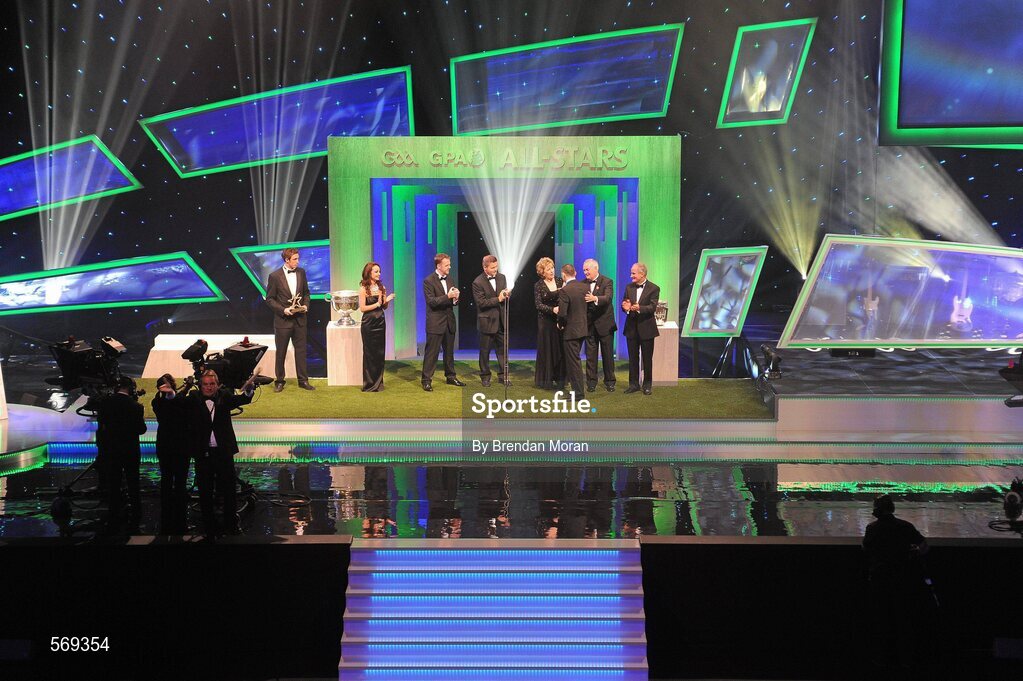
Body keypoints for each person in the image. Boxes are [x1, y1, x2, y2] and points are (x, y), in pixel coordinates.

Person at [158, 369, 255, 538]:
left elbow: (242, 399)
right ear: (200, 385)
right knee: (205, 491)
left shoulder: (224, 396)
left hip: (224, 452)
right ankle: (209, 526)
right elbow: (179, 402)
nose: (209, 388)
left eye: (212, 384)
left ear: (217, 385)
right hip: (203, 453)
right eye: (206, 384)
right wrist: (172, 394)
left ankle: (231, 524)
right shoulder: (195, 398)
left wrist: (248, 390)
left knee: (229, 490)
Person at [862, 494, 934, 671]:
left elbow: (866, 548)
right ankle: (906, 660)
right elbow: (924, 545)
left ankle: (881, 659)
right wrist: (915, 552)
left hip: (880, 581)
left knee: (882, 621)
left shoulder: (872, 529)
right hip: (903, 581)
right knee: (904, 621)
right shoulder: (905, 527)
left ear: (877, 510)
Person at [95, 376, 147, 530]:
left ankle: (114, 515)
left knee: (114, 484)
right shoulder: (136, 406)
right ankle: (136, 514)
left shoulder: (105, 404)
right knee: (133, 483)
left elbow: (101, 427)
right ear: (130, 388)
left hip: (111, 451)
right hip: (130, 451)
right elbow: (142, 430)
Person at [265, 247, 314, 392]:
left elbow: (306, 293)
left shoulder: (301, 272)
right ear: (287, 260)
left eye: (298, 258)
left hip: (300, 319)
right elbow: (270, 299)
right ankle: (279, 381)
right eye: (295, 259)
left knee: (301, 351)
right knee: (281, 352)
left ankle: (303, 381)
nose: (298, 262)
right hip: (283, 321)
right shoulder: (274, 276)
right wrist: (283, 310)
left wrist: (306, 305)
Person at [151, 373, 192, 534]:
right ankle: (168, 515)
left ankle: (178, 515)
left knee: (180, 482)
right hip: (169, 447)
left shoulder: (179, 400)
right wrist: (183, 389)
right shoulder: (158, 402)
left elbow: (179, 400)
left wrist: (186, 388)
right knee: (168, 480)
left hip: (179, 447)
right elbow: (173, 404)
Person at [421, 252, 465, 392]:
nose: (449, 267)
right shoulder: (428, 281)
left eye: (449, 264)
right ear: (439, 265)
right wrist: (448, 296)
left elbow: (452, 302)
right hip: (435, 322)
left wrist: (456, 298)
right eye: (447, 265)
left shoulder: (450, 279)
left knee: (449, 352)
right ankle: (426, 380)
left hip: (449, 321)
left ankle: (451, 376)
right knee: (432, 353)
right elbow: (432, 302)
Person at [472, 254, 511, 387]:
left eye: (496, 266)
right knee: (485, 351)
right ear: (485, 268)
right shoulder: (477, 282)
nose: (496, 269)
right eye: (493, 267)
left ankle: (503, 376)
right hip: (486, 322)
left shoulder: (502, 277)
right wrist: (498, 299)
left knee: (503, 351)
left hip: (501, 321)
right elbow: (481, 303)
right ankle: (485, 376)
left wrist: (507, 295)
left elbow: (503, 295)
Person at [621, 262, 660, 395]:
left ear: (642, 274)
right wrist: (625, 308)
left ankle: (647, 385)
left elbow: (652, 307)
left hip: (647, 328)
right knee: (632, 358)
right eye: (631, 273)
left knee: (647, 358)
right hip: (631, 328)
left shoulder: (654, 288)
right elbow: (625, 304)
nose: (631, 275)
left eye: (633, 273)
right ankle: (633, 385)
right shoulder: (628, 287)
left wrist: (639, 308)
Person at [358, 262, 395, 392]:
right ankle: (369, 384)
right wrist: (377, 304)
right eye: (376, 271)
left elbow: (383, 306)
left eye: (379, 271)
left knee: (379, 353)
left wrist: (387, 300)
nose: (379, 274)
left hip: (380, 322)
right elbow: (362, 308)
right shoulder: (363, 289)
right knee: (369, 353)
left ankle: (379, 383)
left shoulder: (381, 287)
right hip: (368, 323)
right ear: (369, 273)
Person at [582, 258, 617, 392]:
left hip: (605, 325)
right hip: (590, 325)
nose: (585, 272)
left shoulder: (607, 281)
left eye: (587, 269)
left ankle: (610, 381)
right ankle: (591, 382)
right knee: (591, 356)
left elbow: (608, 298)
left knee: (608, 355)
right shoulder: (582, 284)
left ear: (596, 268)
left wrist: (595, 298)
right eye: (584, 270)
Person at [557, 264, 589, 395]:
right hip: (582, 329)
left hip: (571, 331)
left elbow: (562, 313)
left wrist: (561, 324)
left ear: (564, 275)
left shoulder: (565, 290)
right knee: (575, 360)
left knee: (573, 362)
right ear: (575, 273)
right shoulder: (584, 287)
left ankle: (578, 393)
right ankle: (578, 391)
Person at [533, 257, 564, 390]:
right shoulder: (538, 285)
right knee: (547, 348)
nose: (551, 271)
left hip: (559, 320)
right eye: (548, 269)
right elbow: (538, 305)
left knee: (559, 348)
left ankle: (560, 378)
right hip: (545, 322)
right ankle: (547, 379)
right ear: (542, 272)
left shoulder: (559, 281)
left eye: (552, 268)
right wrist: (553, 310)